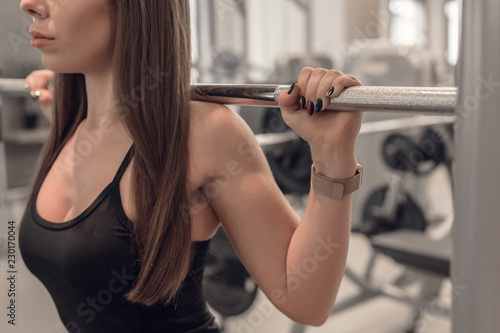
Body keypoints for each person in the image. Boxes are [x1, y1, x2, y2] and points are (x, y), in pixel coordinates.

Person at [18, 0, 363, 332]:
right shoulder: (73, 124)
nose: (28, 3)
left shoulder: (204, 132)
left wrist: (332, 155)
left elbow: (305, 301)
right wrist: (61, 105)